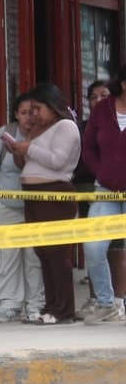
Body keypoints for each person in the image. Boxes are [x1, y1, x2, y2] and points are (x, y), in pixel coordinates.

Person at [5, 83, 82, 325]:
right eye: (32, 109)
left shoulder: (66, 126)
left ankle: (64, 309)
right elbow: (26, 163)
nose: (35, 114)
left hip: (54, 194)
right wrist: (19, 150)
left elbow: (57, 161)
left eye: (38, 108)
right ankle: (50, 307)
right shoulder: (39, 129)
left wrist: (30, 147)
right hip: (33, 194)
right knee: (42, 252)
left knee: (57, 253)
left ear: (52, 106)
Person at [0, 96, 45, 323]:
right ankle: (9, 304)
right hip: (6, 207)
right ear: (16, 114)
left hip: (35, 208)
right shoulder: (4, 134)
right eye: (24, 112)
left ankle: (35, 305)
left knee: (34, 257)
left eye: (33, 111)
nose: (29, 117)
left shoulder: (45, 135)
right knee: (4, 256)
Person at [78, 73, 126, 324]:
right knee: (94, 246)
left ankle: (121, 303)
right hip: (105, 189)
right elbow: (88, 148)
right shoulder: (102, 111)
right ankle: (106, 304)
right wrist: (103, 173)